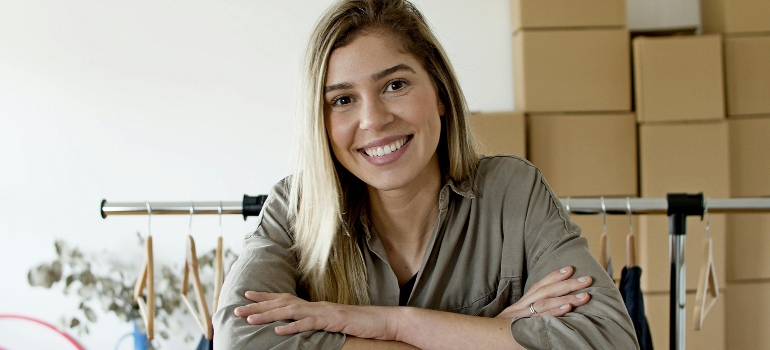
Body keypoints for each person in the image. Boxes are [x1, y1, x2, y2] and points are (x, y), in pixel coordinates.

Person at [213, 0, 639, 348]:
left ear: (439, 92)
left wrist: (391, 324)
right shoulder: (294, 209)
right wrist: (489, 334)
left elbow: (607, 339)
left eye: (395, 85)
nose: (374, 120)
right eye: (342, 100)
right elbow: (240, 340)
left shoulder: (513, 192)